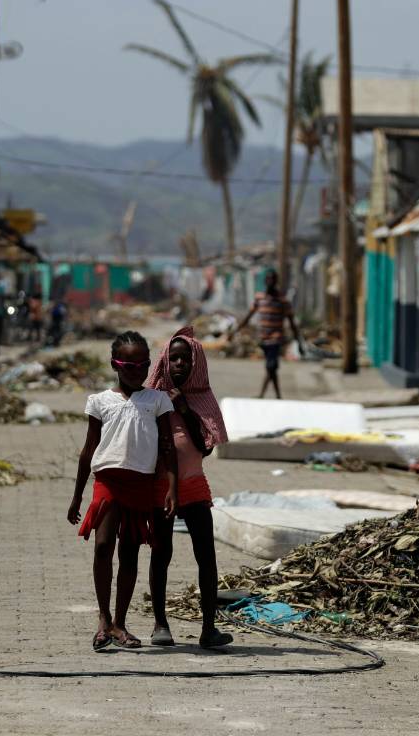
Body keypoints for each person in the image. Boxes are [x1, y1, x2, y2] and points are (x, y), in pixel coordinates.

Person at [67, 331, 178, 652]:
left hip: (140, 484)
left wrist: (172, 486)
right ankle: (103, 618)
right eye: (127, 365)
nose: (135, 371)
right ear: (115, 365)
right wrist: (77, 495)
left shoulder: (157, 401)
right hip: (108, 482)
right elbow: (88, 450)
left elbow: (168, 447)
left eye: (142, 364)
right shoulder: (100, 401)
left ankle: (120, 623)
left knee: (129, 552)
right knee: (103, 546)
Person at [146, 326, 233, 649]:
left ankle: (208, 628)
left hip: (194, 485)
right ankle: (160, 624)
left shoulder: (202, 399)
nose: (179, 364)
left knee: (206, 556)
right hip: (160, 487)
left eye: (186, 358)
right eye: (174, 358)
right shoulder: (153, 397)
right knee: (161, 553)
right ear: (165, 362)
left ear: (196, 363)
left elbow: (205, 445)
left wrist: (184, 409)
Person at [233, 269, 304, 399]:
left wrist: (299, 342)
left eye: (273, 279)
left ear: (276, 281)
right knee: (271, 368)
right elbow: (249, 316)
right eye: (268, 279)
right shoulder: (259, 298)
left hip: (276, 338)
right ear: (265, 281)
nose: (270, 281)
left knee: (271, 366)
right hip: (263, 339)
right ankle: (277, 396)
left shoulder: (283, 301)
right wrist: (236, 330)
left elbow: (292, 322)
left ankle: (264, 395)